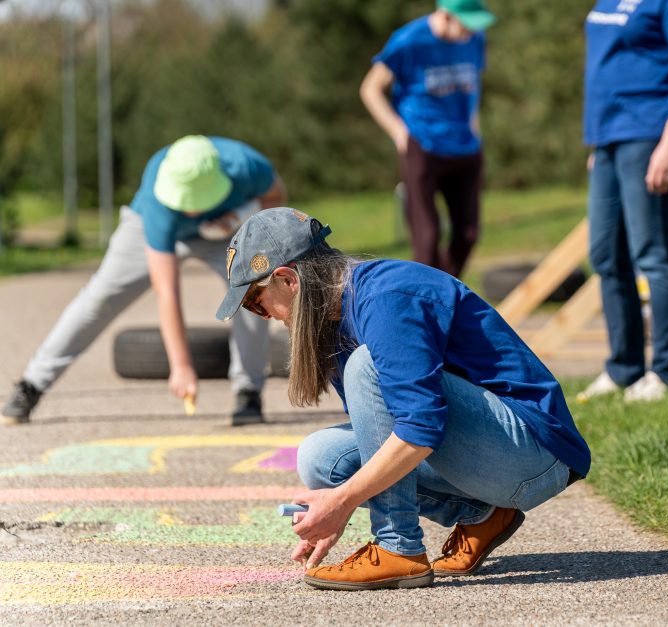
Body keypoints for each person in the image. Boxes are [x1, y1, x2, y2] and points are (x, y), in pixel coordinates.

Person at [215, 207, 590, 590]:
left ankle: (398, 549)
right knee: (320, 458)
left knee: (367, 365)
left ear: (288, 280)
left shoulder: (386, 298)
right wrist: (334, 511)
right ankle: (483, 515)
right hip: (491, 452)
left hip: (534, 452)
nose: (263, 315)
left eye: (254, 302)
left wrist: (342, 503)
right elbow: (380, 432)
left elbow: (419, 428)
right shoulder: (337, 317)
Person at [1, 135, 286, 427]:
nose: (189, 209)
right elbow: (167, 293)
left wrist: (238, 215)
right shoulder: (157, 199)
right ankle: (31, 385)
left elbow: (276, 197)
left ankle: (248, 392)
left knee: (253, 292)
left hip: (224, 232)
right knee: (100, 298)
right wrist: (181, 365)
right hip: (145, 230)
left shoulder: (248, 166)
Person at [578, 0, 668, 403]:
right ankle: (624, 368)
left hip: (650, 133)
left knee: (653, 253)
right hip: (609, 138)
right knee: (605, 255)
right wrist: (601, 142)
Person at [360, 0, 493, 279]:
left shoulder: (476, 39)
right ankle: (425, 305)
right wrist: (398, 131)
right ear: (446, 16)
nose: (471, 32)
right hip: (423, 146)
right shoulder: (409, 41)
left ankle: (443, 294)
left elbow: (473, 86)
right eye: (466, 25)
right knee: (427, 239)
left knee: (468, 234)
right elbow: (370, 88)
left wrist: (474, 126)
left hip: (465, 146)